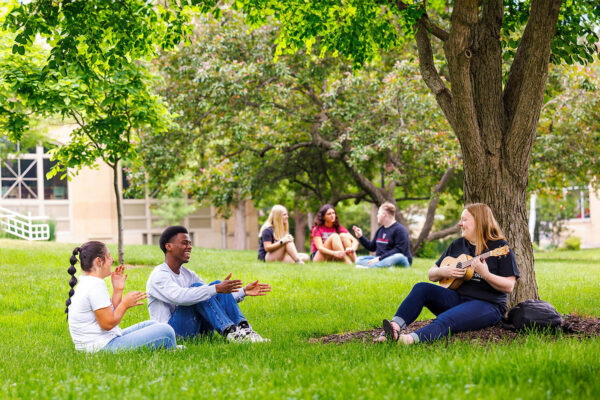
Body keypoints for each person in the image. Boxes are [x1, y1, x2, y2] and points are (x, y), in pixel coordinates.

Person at [377, 203, 519, 345]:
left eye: (464, 220)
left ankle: (408, 340)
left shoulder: (500, 247)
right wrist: (442, 271)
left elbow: (509, 286)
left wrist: (485, 274)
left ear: (479, 221)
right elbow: (431, 274)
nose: (459, 224)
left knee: (447, 319)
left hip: (488, 305)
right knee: (421, 288)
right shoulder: (458, 244)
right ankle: (394, 328)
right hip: (457, 298)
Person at [146, 226, 271, 343]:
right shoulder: (159, 275)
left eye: (190, 243)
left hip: (198, 331)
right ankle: (231, 332)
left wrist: (243, 291)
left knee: (213, 287)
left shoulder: (188, 274)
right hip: (172, 334)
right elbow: (181, 297)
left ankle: (244, 329)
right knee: (203, 290)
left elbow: (212, 302)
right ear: (168, 246)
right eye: (185, 243)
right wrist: (216, 288)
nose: (189, 247)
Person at [65, 241, 177, 352]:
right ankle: (171, 350)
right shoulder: (95, 286)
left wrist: (118, 290)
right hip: (101, 347)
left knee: (153, 324)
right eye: (108, 256)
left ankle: (166, 347)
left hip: (100, 342)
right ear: (99, 261)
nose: (112, 260)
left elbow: (108, 314)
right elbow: (107, 324)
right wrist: (125, 304)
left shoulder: (89, 282)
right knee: (166, 331)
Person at [352, 202, 412, 268]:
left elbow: (399, 250)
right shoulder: (380, 230)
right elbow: (372, 247)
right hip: (381, 259)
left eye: (378, 213)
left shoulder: (400, 230)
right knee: (359, 259)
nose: (377, 215)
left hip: (399, 260)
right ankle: (384, 266)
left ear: (384, 214)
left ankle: (371, 267)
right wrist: (361, 237)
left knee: (399, 256)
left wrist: (380, 258)